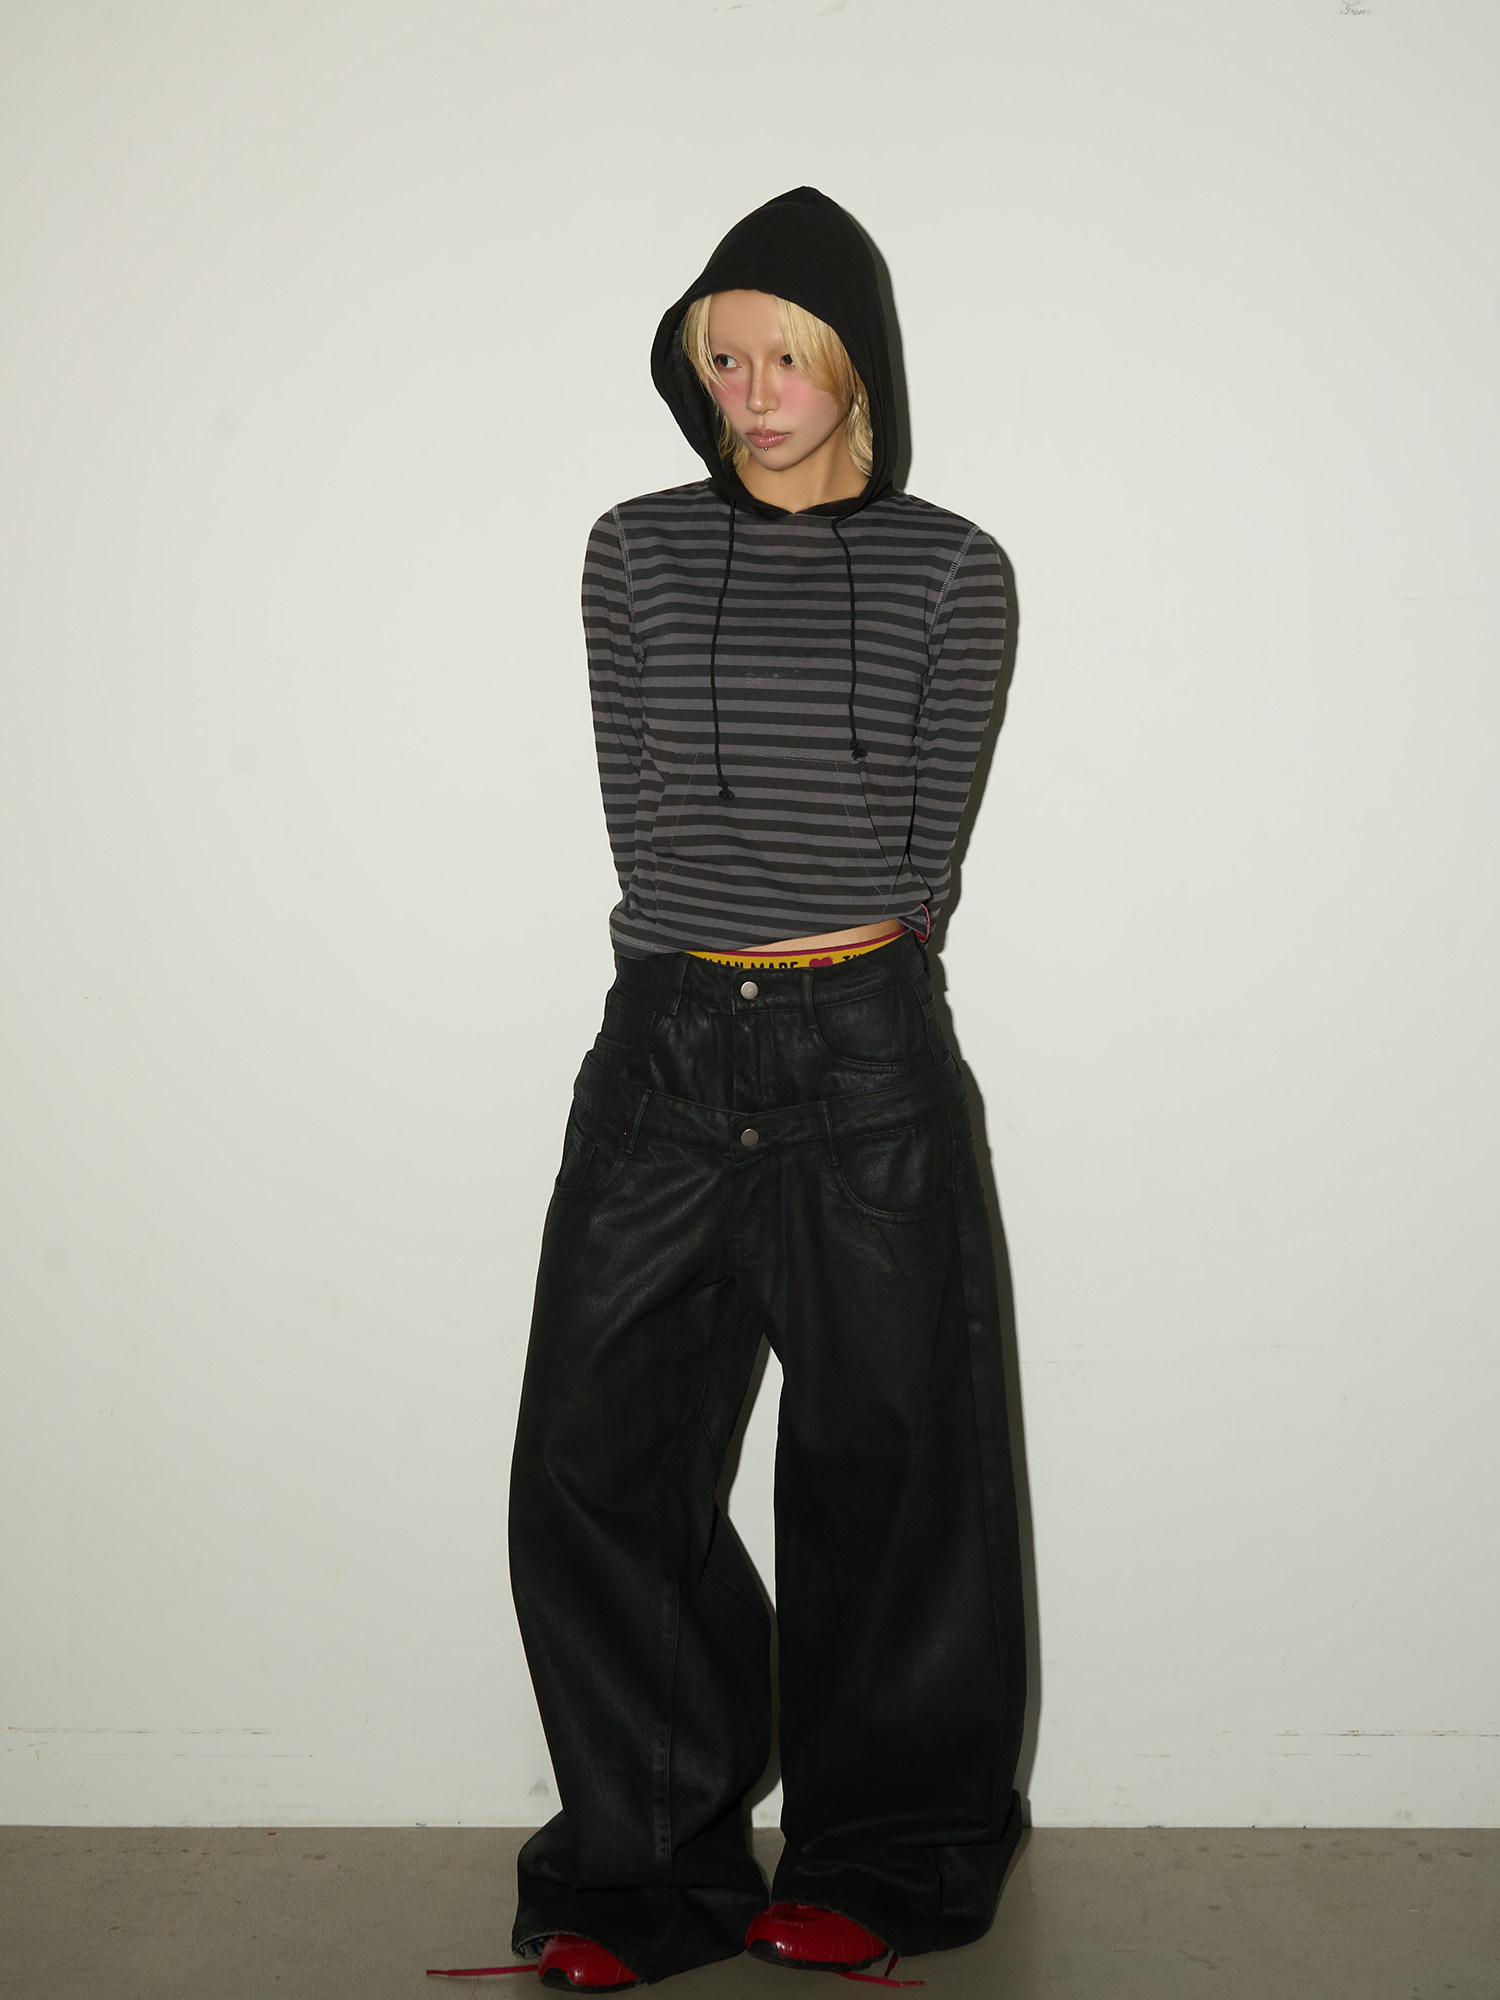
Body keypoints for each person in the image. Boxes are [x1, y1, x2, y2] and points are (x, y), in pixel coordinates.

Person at [506, 187, 1026, 1991]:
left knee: (892, 1470)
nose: (750, 391)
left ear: (855, 363)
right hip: (664, 1044)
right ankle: (643, 1871)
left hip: (862, 1047)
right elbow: (637, 800)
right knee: (598, 1458)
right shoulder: (633, 548)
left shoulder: (956, 567)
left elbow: (926, 851)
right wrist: (713, 950)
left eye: (783, 357)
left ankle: (884, 1860)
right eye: (720, 359)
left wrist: (839, 955)